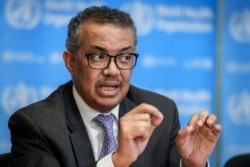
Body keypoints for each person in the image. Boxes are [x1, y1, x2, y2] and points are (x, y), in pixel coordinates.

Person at [8, 5, 222, 167]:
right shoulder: (36, 124)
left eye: (125, 57)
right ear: (71, 62)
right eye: (99, 56)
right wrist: (116, 161)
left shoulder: (161, 112)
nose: (113, 70)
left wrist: (193, 164)